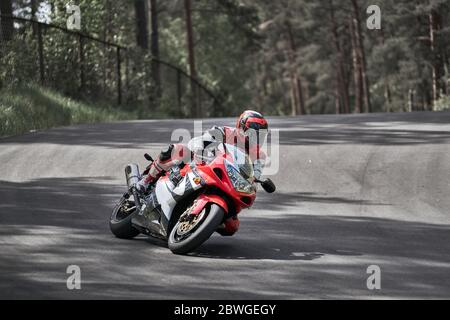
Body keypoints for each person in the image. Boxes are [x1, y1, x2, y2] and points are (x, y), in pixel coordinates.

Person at [135, 110, 269, 235]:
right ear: (241, 128)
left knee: (231, 227)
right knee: (176, 150)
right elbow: (203, 139)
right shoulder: (225, 132)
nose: (256, 139)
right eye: (253, 134)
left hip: (228, 181)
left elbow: (254, 175)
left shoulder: (259, 156)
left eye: (260, 136)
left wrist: (253, 184)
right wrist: (200, 149)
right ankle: (146, 181)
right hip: (203, 164)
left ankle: (202, 220)